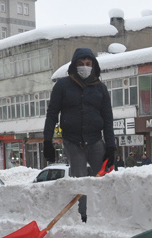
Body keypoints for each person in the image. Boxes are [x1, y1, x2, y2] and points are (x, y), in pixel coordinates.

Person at [43, 47, 116, 222]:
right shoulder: (62, 86)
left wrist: (111, 146)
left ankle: (109, 213)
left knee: (106, 178)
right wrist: (47, 141)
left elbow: (107, 118)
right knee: (80, 178)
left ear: (93, 65)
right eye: (81, 64)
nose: (85, 67)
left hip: (95, 139)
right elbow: (52, 113)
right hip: (72, 141)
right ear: (74, 65)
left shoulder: (101, 89)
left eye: (88, 64)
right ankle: (83, 216)